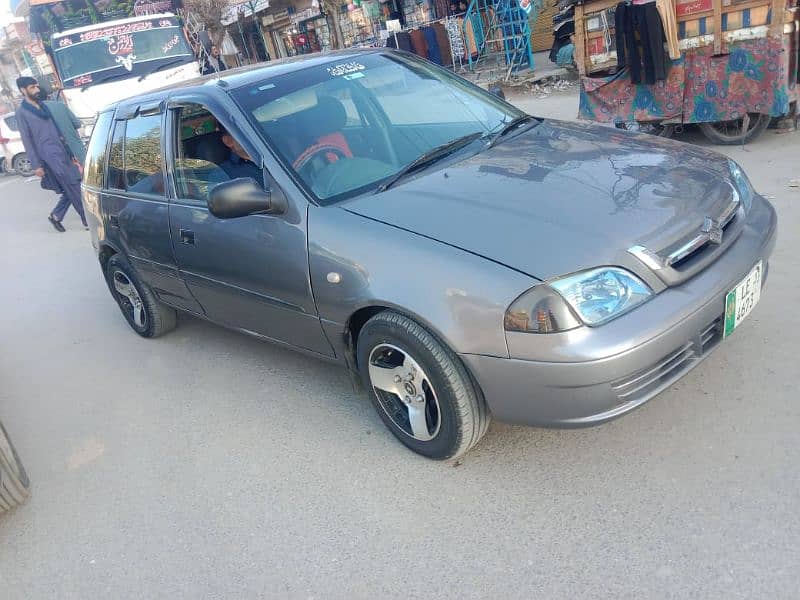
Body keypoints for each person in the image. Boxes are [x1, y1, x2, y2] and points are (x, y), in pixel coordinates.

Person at [15, 76, 87, 232]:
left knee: (70, 185)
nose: (37, 90)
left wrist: (69, 149)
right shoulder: (22, 113)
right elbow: (27, 140)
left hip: (62, 150)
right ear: (23, 90)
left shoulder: (43, 106)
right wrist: (36, 165)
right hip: (48, 155)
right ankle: (86, 219)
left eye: (36, 86)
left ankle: (56, 215)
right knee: (73, 184)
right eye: (32, 87)